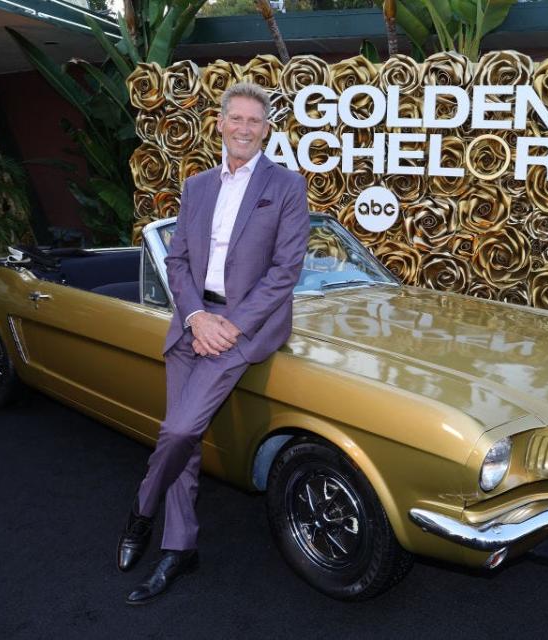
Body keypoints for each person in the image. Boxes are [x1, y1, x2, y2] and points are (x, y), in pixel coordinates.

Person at [117, 82, 310, 605]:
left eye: (255, 121)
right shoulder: (197, 186)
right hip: (192, 320)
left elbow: (285, 270)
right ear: (221, 124)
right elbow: (177, 261)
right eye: (237, 119)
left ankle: (140, 512)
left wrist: (231, 325)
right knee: (183, 440)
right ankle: (179, 548)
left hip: (242, 327)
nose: (245, 128)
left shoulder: (288, 186)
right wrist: (198, 316)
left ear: (266, 130)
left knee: (179, 428)